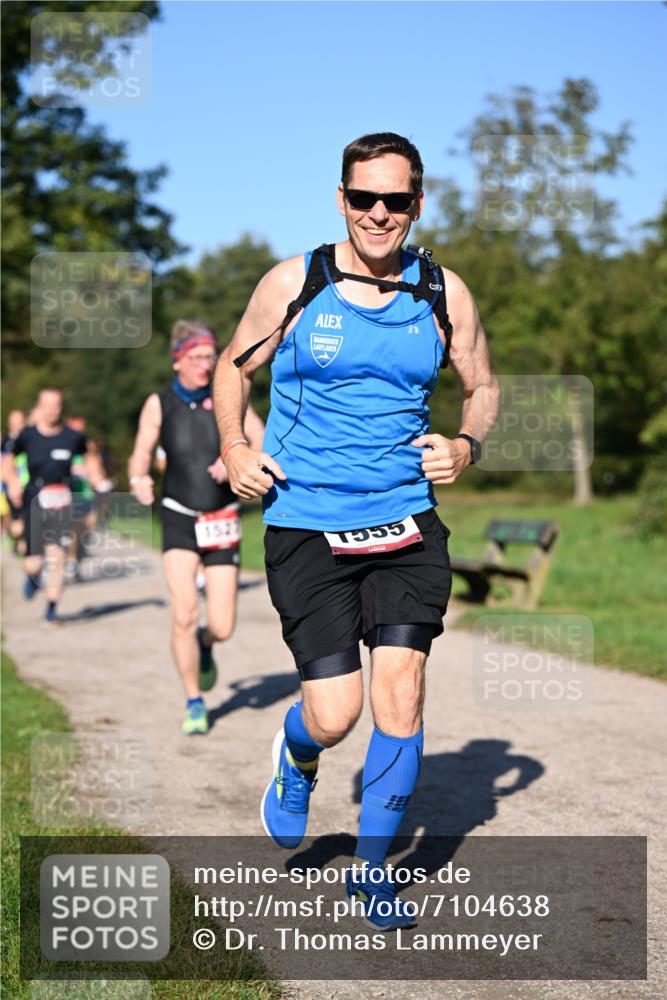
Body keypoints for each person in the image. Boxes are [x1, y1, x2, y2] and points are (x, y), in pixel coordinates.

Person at [213, 133, 499, 929]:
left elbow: (481, 385)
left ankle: (372, 874)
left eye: (395, 200)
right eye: (363, 198)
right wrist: (235, 447)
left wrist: (465, 445)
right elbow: (233, 369)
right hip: (306, 522)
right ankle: (299, 752)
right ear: (341, 199)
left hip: (405, 519)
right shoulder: (295, 283)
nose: (379, 214)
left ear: (417, 204)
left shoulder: (441, 292)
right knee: (335, 714)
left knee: (399, 691)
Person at [128, 320, 264, 736]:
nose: (206, 364)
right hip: (179, 515)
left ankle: (206, 644)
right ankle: (193, 701)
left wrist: (235, 457)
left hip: (222, 518)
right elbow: (141, 453)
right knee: (184, 612)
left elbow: (261, 439)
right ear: (177, 361)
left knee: (222, 626)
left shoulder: (228, 396)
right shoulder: (159, 403)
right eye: (197, 357)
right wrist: (138, 478)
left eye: (210, 356)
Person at [4, 389, 106, 624]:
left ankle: (51, 609)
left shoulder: (72, 436)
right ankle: (33, 577)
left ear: (61, 407)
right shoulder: (28, 435)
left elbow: (89, 457)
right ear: (39, 407)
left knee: (57, 556)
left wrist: (96, 477)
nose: (51, 410)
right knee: (34, 562)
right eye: (47, 405)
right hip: (34, 497)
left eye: (56, 405)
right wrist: (12, 483)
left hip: (61, 497)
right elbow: (8, 460)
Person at [1, 409, 28, 553]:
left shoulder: (29, 438)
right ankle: (16, 538)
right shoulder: (6, 442)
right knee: (12, 516)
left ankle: (24, 543)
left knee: (26, 515)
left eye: (21, 422)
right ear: (9, 424)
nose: (18, 425)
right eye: (15, 422)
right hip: (10, 484)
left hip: (28, 483)